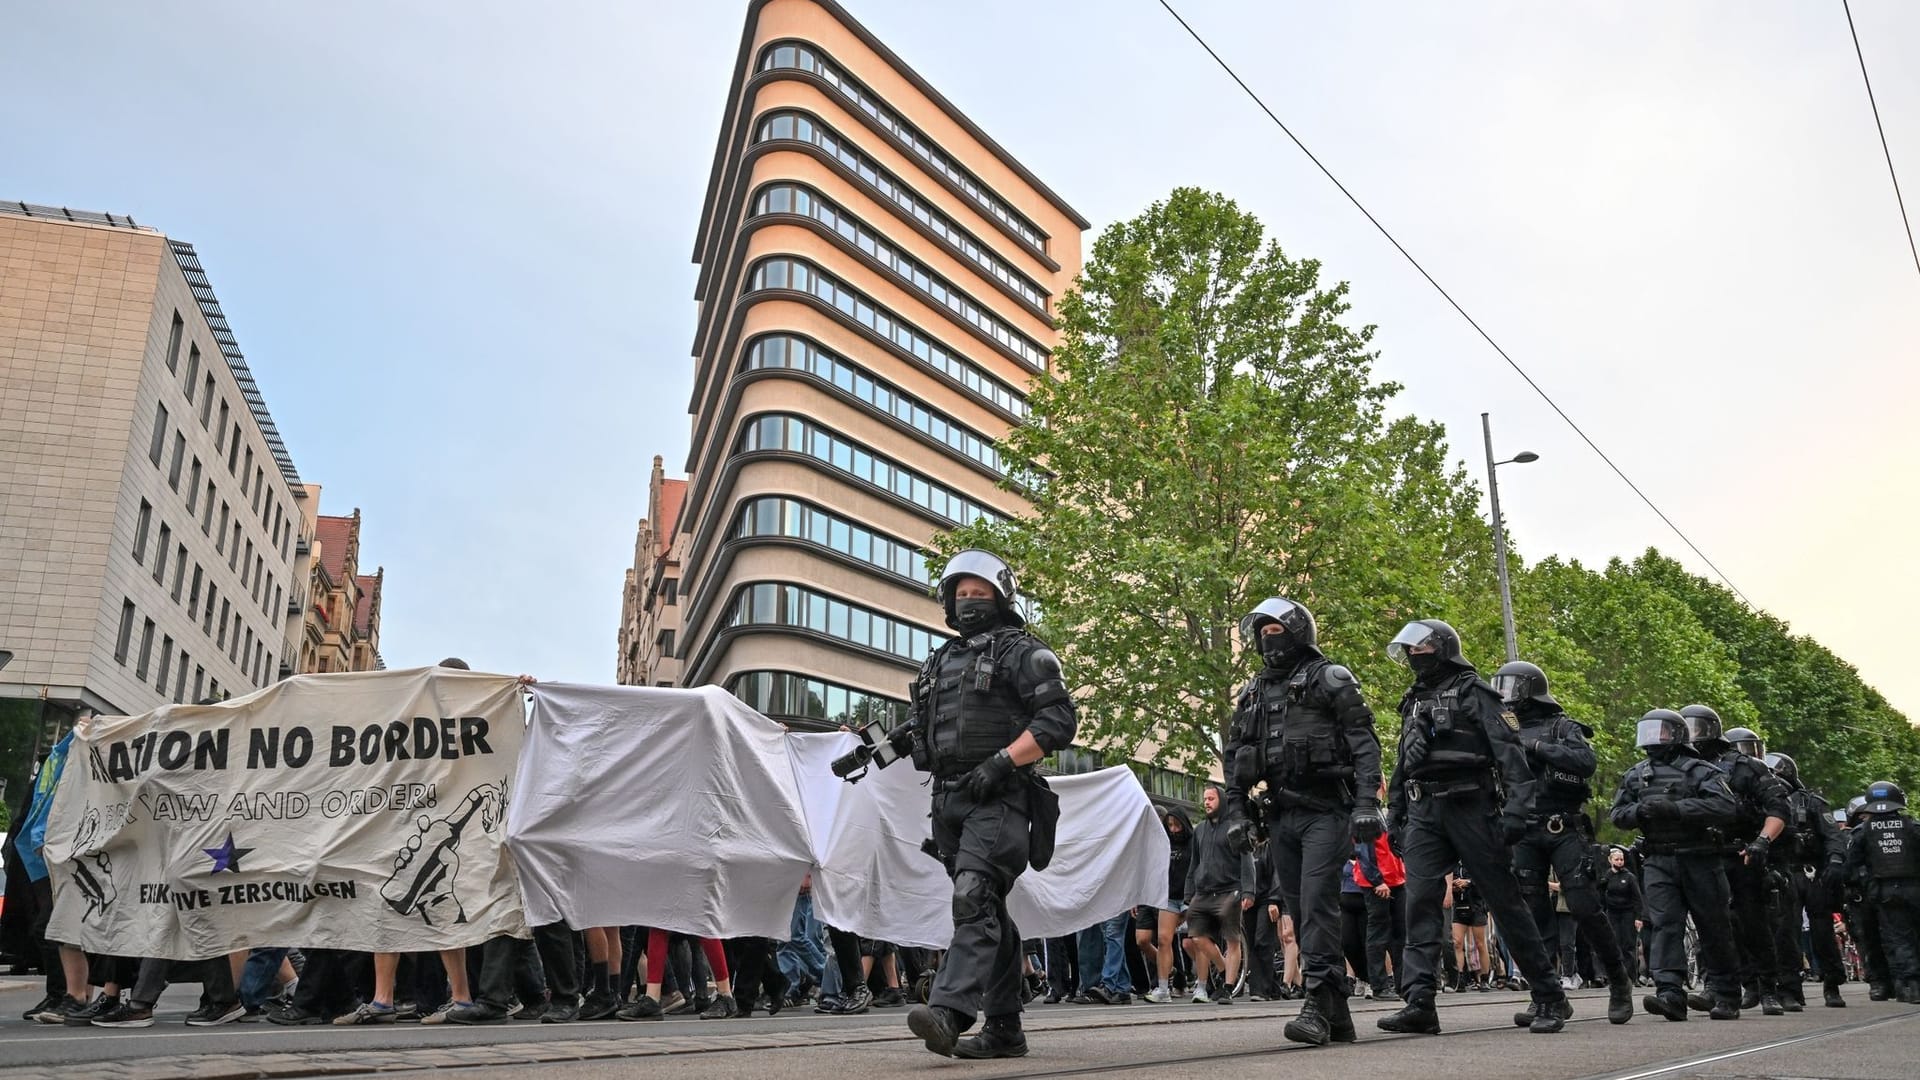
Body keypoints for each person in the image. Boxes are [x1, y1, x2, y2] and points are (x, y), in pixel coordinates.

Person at [903, 550, 1078, 1060]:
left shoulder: (1024, 653)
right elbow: (921, 722)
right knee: (990, 912)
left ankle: (949, 1011)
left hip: (1001, 798)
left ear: (1002, 598)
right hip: (948, 799)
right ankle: (1005, 1030)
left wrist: (1002, 763)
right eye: (962, 594)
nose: (970, 602)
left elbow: (1058, 722)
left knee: (974, 898)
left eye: (981, 594)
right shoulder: (939, 660)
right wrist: (875, 748)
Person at [1378, 620, 1571, 1036]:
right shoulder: (1412, 699)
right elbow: (1402, 763)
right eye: (1410, 649)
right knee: (1420, 904)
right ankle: (1419, 1002)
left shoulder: (1476, 692)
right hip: (1424, 810)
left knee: (1505, 902)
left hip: (1473, 806)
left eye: (1422, 647)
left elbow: (1511, 755)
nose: (1414, 655)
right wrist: (1395, 813)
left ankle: (1550, 994)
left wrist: (1518, 811)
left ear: (1442, 648)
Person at [1221, 597, 1381, 1047]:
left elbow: (1365, 745)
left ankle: (1315, 1003)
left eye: (1277, 630)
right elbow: (1236, 756)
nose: (1268, 639)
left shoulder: (1329, 678)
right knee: (1297, 909)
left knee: (1314, 907)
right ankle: (1339, 1016)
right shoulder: (1253, 691)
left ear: (1297, 633)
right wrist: (1236, 811)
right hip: (1280, 815)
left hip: (1326, 811)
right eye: (1262, 632)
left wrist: (1367, 804)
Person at [1493, 660, 1635, 1025]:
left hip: (1563, 827)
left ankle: (1619, 980)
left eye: (1512, 687)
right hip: (1524, 827)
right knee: (1532, 912)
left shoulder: (1562, 726)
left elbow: (1585, 761)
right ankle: (1546, 992)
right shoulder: (1501, 727)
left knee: (1585, 904)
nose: (1506, 694)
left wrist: (1537, 745)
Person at [1611, 709, 1743, 1021]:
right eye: (1648, 731)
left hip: (1699, 857)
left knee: (1713, 926)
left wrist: (1677, 809)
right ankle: (1669, 992)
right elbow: (1618, 813)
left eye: (1662, 732)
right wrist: (1641, 812)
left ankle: (1725, 993)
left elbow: (1725, 806)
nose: (1654, 739)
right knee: (1665, 924)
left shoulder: (1700, 770)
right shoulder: (1637, 773)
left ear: (1678, 735)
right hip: (1658, 858)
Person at [1682, 710, 1791, 1015]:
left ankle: (1768, 987)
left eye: (1697, 728)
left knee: (1752, 922)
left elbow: (1779, 807)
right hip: (1703, 854)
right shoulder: (1684, 767)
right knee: (1710, 923)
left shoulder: (1747, 767)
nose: (1692, 734)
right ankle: (1715, 986)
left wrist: (1762, 842)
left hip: (1743, 854)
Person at [1764, 751, 1850, 1008]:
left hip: (1812, 875)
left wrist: (1835, 861)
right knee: (1785, 932)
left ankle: (1832, 983)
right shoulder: (1764, 801)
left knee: (1822, 930)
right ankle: (1789, 988)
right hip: (1783, 873)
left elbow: (1832, 835)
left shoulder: (1811, 803)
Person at [1845, 781, 1920, 1004]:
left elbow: (1850, 868)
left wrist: (1863, 884)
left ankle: (1911, 985)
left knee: (1898, 938)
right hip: (1915, 889)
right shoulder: (1913, 827)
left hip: (1885, 892)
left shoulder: (1863, 832)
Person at [1182, 784, 1253, 1005]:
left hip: (1230, 889)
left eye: (1211, 798)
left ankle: (1229, 988)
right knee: (1196, 937)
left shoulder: (1234, 827)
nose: (1207, 803)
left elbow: (1247, 859)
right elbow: (1195, 862)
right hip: (1204, 892)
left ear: (1221, 800)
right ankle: (1225, 970)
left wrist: (1248, 890)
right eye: (1205, 799)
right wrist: (1189, 890)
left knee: (1233, 939)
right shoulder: (1199, 829)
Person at [1137, 806, 1193, 1003]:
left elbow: (1195, 870)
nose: (1173, 829)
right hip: (1167, 897)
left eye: (1177, 825)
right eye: (1170, 825)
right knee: (1163, 940)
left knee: (1196, 941)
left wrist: (1189, 900)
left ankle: (1208, 982)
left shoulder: (1193, 844)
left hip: (1187, 897)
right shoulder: (1164, 843)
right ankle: (1163, 988)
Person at [1598, 847, 1646, 987]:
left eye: (1621, 859)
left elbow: (1637, 898)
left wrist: (1638, 917)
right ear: (1610, 860)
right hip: (1613, 913)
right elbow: (1600, 891)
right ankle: (1616, 977)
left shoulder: (1629, 877)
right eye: (1616, 859)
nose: (1619, 862)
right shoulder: (1607, 876)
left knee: (1628, 945)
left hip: (1628, 913)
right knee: (1615, 944)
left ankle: (1632, 976)